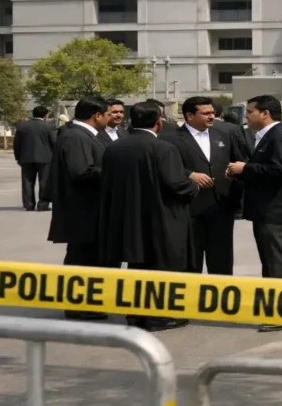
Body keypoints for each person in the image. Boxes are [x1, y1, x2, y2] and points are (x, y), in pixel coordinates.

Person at [98, 101, 199, 332]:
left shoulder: (114, 148)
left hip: (126, 217)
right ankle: (158, 317)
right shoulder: (162, 148)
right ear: (158, 122)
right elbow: (176, 183)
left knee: (137, 266)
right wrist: (194, 187)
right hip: (160, 218)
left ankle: (135, 316)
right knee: (162, 268)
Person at [227, 94, 282, 332]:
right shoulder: (267, 137)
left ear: (265, 113)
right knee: (271, 261)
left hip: (275, 209)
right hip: (267, 209)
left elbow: (281, 171)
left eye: (250, 112)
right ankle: (275, 307)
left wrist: (246, 168)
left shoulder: (279, 137)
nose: (246, 116)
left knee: (277, 262)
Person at [45, 96, 109, 321]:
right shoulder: (76, 136)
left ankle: (87, 302)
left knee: (89, 258)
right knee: (82, 259)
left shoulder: (84, 135)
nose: (111, 119)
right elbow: (81, 171)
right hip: (83, 210)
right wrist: (116, 173)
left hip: (90, 209)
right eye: (108, 114)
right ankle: (78, 306)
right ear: (97, 115)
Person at [162, 96, 242, 275]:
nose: (212, 116)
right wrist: (189, 174)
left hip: (221, 206)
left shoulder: (222, 135)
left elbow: (236, 160)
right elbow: (164, 168)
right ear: (190, 116)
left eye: (212, 112)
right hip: (190, 208)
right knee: (191, 259)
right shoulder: (170, 138)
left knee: (222, 259)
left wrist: (233, 171)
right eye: (206, 113)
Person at [14, 105, 56, 212]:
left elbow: (16, 144)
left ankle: (29, 205)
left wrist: (18, 157)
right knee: (45, 182)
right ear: (45, 115)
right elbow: (54, 142)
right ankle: (43, 204)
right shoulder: (48, 127)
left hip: (26, 158)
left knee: (27, 182)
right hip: (45, 158)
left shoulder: (22, 126)